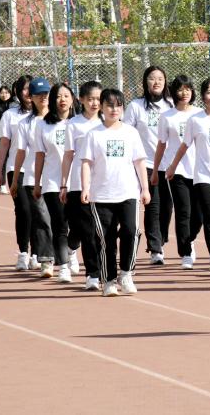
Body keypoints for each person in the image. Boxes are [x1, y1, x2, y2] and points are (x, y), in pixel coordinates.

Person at [80, 88, 150, 297]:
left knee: (131, 231)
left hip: (128, 192)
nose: (114, 109)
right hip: (101, 195)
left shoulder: (131, 132)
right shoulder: (94, 134)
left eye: (118, 105)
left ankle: (126, 273)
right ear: (101, 107)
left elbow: (139, 162)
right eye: (109, 105)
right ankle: (109, 280)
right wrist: (85, 188)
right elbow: (86, 163)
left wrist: (145, 189)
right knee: (106, 239)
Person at [166, 78, 210, 277]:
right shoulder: (195, 120)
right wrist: (172, 166)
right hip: (204, 176)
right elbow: (184, 145)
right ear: (203, 96)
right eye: (209, 92)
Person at [123, 66, 173, 265]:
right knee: (153, 205)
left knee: (167, 207)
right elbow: (126, 132)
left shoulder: (171, 105)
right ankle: (155, 248)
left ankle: (161, 239)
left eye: (160, 78)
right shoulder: (136, 106)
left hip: (169, 164)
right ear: (145, 82)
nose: (156, 82)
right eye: (152, 78)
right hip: (147, 163)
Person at [151, 74, 200, 270]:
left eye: (188, 89)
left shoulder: (199, 114)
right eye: (180, 89)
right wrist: (156, 170)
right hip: (176, 170)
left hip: (199, 170)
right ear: (174, 92)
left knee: (199, 214)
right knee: (183, 211)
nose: (184, 93)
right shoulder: (167, 117)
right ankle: (186, 252)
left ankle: (190, 238)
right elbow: (161, 144)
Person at [60, 81, 104, 291]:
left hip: (104, 184)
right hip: (79, 184)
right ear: (82, 100)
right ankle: (92, 274)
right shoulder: (74, 124)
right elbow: (68, 155)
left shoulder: (108, 122)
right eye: (91, 99)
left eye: (98, 99)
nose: (95, 103)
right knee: (85, 230)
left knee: (101, 232)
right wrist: (64, 184)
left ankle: (103, 271)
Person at [11, 78, 54, 276]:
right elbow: (20, 152)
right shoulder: (25, 123)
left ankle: (68, 252)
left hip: (57, 178)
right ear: (31, 97)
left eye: (46, 94)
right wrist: (14, 179)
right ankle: (46, 260)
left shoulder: (61, 120)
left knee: (61, 220)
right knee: (41, 218)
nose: (43, 98)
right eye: (38, 95)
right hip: (32, 178)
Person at [32, 82, 75, 283]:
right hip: (52, 182)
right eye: (58, 96)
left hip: (77, 182)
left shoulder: (79, 123)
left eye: (66, 95)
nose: (62, 100)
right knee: (59, 225)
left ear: (73, 99)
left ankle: (71, 249)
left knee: (79, 226)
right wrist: (37, 183)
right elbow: (40, 155)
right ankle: (63, 266)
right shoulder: (43, 125)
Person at [0, 76, 34, 269]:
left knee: (39, 212)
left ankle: (38, 252)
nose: (28, 93)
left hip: (41, 170)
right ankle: (23, 252)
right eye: (24, 89)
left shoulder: (46, 114)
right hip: (16, 169)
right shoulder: (10, 115)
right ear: (17, 92)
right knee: (23, 209)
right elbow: (4, 145)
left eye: (30, 88)